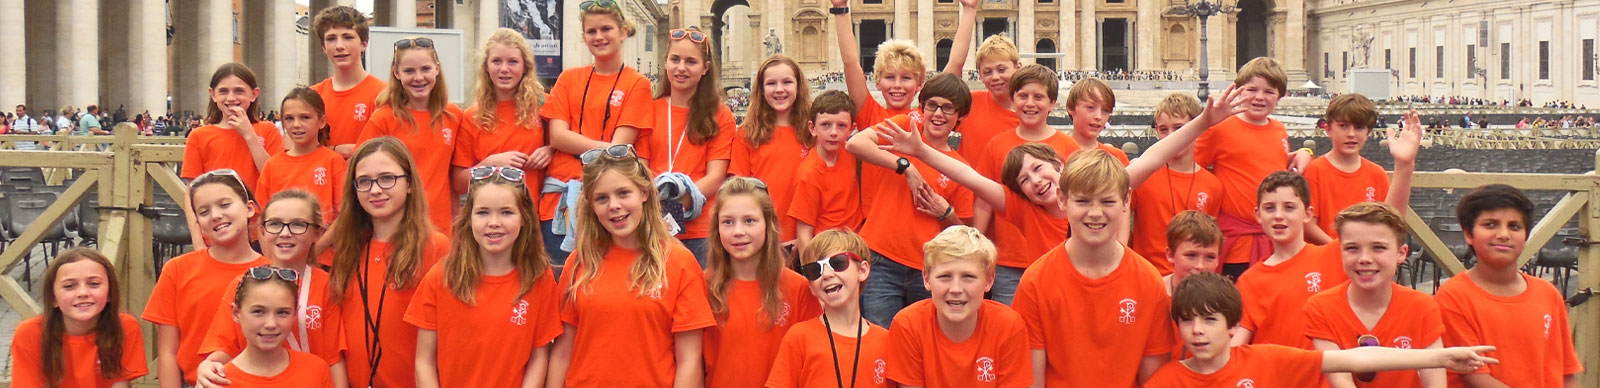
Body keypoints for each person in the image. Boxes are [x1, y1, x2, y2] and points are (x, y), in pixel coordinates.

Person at [878, 83, 1246, 305]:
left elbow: (1152, 158)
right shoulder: (1024, 211)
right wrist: (922, 151)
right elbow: (969, 176)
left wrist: (1204, 122)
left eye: (1039, 169)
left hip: (1106, 287)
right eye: (1024, 180)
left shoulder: (1094, 189)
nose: (1035, 181)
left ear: (1059, 164)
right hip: (1056, 295)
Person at [1231, 114, 1420, 350]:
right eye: (1270, 208)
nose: (1279, 215)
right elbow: (1241, 341)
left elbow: (1386, 226)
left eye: (1289, 207)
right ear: (1258, 215)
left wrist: (1404, 167)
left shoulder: (1333, 255)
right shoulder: (1249, 280)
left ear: (1308, 214)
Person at [546, 144, 715, 387]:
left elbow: (689, 360)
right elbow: (562, 353)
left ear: (644, 193)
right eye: (602, 198)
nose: (614, 205)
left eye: (624, 193)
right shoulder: (580, 262)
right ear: (591, 205)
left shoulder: (679, 262)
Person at [1144, 272, 1498, 387]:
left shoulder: (1266, 359)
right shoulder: (1166, 380)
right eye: (1188, 320)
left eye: (1209, 320)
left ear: (1233, 325)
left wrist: (1440, 355)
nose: (1198, 331)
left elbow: (1355, 359)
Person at [1010, 150, 1173, 387]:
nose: (1095, 213)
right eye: (1083, 201)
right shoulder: (1036, 282)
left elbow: (1153, 379)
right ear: (1062, 199)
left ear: (1126, 200)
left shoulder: (1148, 281)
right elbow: (1031, 380)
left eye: (1107, 201)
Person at [408, 166, 562, 387]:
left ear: (524, 218)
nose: (494, 222)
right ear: (468, 218)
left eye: (506, 212)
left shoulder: (539, 277)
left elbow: (539, 357)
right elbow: (424, 362)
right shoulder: (442, 277)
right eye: (483, 212)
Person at [844, 73, 976, 327]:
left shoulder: (960, 168)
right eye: (932, 105)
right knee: (879, 342)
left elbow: (963, 234)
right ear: (922, 107)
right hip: (880, 259)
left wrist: (945, 212)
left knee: (918, 344)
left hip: (926, 269)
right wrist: (906, 167)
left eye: (948, 108)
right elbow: (855, 144)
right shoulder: (905, 127)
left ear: (960, 117)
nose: (938, 114)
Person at [538, 0, 654, 268]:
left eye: (606, 29)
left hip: (606, 205)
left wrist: (575, 143)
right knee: (560, 287)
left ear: (623, 31)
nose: (599, 37)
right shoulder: (568, 79)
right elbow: (557, 137)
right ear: (584, 37)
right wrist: (605, 149)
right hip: (560, 206)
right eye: (592, 31)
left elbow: (619, 148)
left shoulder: (637, 83)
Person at [327, 138, 450, 388]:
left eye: (387, 178)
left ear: (409, 185)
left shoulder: (435, 247)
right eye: (364, 181)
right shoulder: (347, 250)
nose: (375, 190)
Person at [194, 190, 348, 388]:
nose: (285, 233)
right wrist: (207, 366)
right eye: (275, 224)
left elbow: (334, 358)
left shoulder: (327, 285)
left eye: (298, 225)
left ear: (317, 233)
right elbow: (225, 347)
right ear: (262, 230)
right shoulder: (244, 283)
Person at [1436, 184, 1583, 387]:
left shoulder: (1548, 293)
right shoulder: (1453, 296)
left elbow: (1566, 371)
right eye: (1490, 225)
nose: (1503, 234)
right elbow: (1475, 377)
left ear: (1525, 237)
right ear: (1469, 234)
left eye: (1514, 226)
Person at [145, 170, 273, 388]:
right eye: (204, 212)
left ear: (249, 208)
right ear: (198, 222)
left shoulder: (270, 272)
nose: (215, 215)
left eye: (225, 205)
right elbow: (167, 351)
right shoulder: (177, 269)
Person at [1302, 202, 1446, 387]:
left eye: (1378, 247)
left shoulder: (1423, 306)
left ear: (1401, 253)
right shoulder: (1321, 307)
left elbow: (1435, 380)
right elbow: (1341, 382)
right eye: (1352, 248)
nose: (1364, 259)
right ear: (1340, 252)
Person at [1194, 57, 1313, 279]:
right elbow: (1192, 168)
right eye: (1252, 90)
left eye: (1269, 91)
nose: (1259, 97)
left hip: (1272, 237)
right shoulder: (1220, 129)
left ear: (1280, 96)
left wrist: (1305, 152)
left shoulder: (1278, 130)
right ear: (1238, 91)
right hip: (1236, 243)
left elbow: (1267, 162)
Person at [702, 177, 822, 387]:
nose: (738, 231)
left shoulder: (798, 289)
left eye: (749, 220)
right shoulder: (702, 286)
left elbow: (811, 364)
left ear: (769, 225)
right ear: (716, 228)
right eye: (728, 222)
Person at [886, 226, 1032, 387]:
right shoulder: (908, 325)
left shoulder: (1008, 326)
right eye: (945, 276)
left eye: (968, 277)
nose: (956, 289)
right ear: (926, 278)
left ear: (989, 281)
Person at [357, 36, 464, 234]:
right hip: (395, 228)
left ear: (437, 69)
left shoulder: (454, 116)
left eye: (425, 69)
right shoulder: (383, 119)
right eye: (409, 71)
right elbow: (359, 173)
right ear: (397, 73)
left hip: (440, 227)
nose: (418, 78)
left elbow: (453, 177)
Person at [647, 25, 736, 264]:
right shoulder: (648, 109)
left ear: (705, 68)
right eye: (675, 59)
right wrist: (656, 209)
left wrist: (672, 206)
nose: (681, 68)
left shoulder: (721, 115)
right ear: (665, 62)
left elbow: (715, 177)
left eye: (691, 61)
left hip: (700, 231)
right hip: (650, 224)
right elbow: (640, 169)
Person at [766, 229, 895, 388]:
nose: (826, 274)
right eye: (815, 270)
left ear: (862, 270)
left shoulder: (887, 341)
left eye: (838, 263)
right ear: (811, 286)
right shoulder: (799, 337)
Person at [10, 248, 149, 388]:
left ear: (109, 293)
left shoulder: (125, 326)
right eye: (69, 286)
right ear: (53, 298)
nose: (83, 293)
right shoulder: (30, 333)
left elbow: (120, 384)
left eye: (94, 284)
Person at [452, 28, 553, 208]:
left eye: (513, 62)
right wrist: (490, 165)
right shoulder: (471, 116)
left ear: (525, 67)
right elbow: (459, 183)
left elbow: (571, 152)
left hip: (534, 215)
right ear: (486, 67)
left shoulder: (545, 106)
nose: (504, 69)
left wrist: (551, 150)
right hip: (491, 217)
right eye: (496, 61)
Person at [1130, 93, 1224, 274]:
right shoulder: (1143, 176)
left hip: (1193, 280)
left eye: (1179, 128)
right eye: (1163, 129)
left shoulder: (1213, 185)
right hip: (1148, 276)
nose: (1171, 136)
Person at [732, 55, 814, 242]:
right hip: (764, 237)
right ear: (761, 89)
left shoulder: (815, 131)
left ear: (798, 86)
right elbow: (739, 193)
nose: (779, 90)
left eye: (787, 82)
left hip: (809, 237)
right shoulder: (747, 133)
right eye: (771, 84)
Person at [215, 266, 336, 387]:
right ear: (236, 313)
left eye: (282, 312)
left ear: (295, 314)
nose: (271, 324)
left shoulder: (316, 370)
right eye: (258, 311)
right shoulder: (219, 381)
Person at [255, 88, 347, 235]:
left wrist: (319, 247)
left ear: (321, 121)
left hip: (324, 254)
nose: (296, 124)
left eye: (305, 117)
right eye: (289, 118)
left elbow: (344, 215)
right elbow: (261, 218)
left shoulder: (333, 162)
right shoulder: (272, 166)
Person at [1303, 93, 1388, 242]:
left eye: (1359, 128)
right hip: (1324, 258)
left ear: (1368, 132)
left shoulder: (1378, 174)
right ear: (1328, 129)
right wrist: (1341, 250)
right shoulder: (1314, 171)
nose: (1351, 134)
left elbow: (1388, 222)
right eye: (1343, 126)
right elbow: (1308, 224)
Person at [788, 90, 862, 254]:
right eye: (826, 125)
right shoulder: (809, 173)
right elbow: (804, 231)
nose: (834, 132)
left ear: (852, 129)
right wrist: (812, 270)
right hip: (827, 250)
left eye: (841, 126)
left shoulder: (852, 154)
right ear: (812, 128)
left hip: (856, 245)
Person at [310, 6, 386, 158]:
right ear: (324, 47)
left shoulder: (384, 94)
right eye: (331, 39)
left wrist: (330, 150)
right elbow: (298, 149)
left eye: (348, 37)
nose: (339, 46)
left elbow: (385, 149)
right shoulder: (312, 96)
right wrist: (339, 150)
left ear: (364, 43)